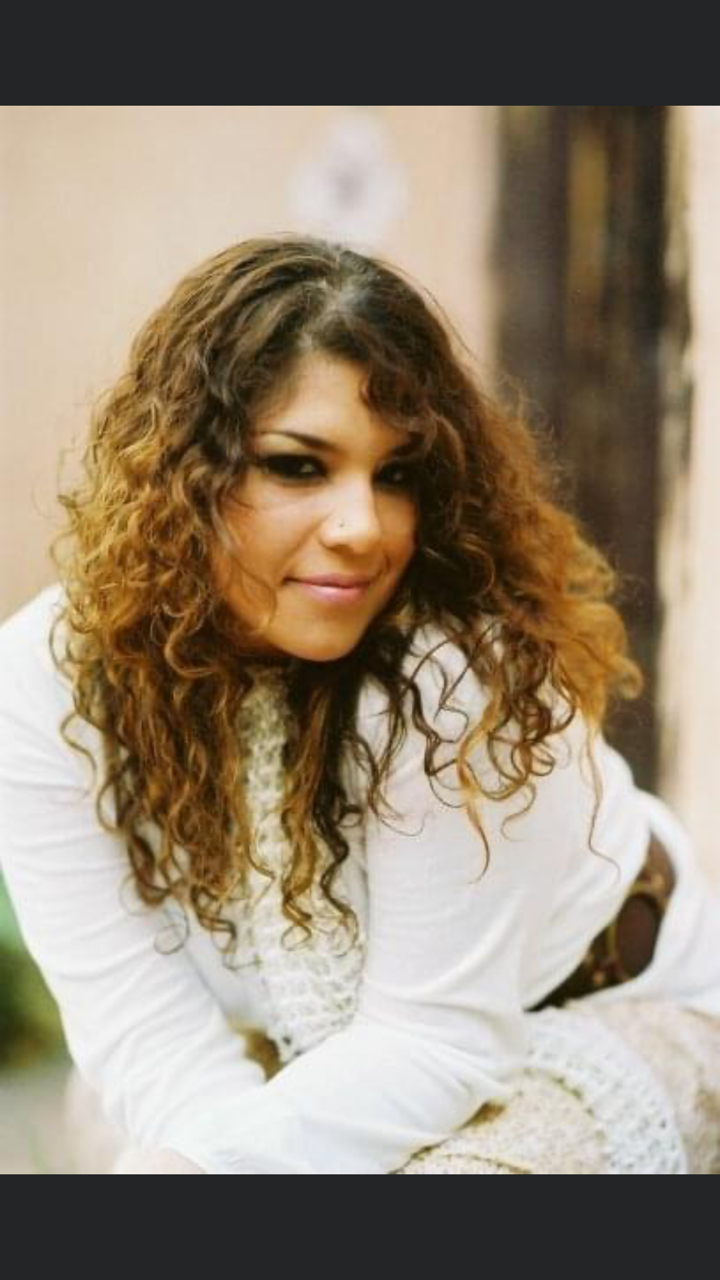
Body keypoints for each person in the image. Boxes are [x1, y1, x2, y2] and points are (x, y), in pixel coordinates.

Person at [1, 235, 720, 1176]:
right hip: (325, 1050)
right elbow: (140, 1030)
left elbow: (433, 1046)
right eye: (298, 467)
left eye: (398, 475)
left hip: (603, 1012)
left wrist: (206, 1170)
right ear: (184, 474)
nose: (362, 528)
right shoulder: (47, 681)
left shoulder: (453, 673)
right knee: (115, 1123)